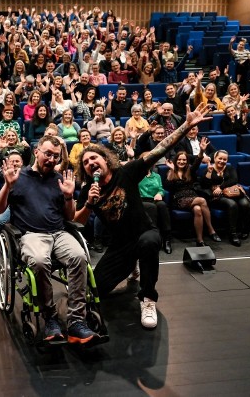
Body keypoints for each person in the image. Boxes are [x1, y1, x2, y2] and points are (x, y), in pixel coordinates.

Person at [73, 103, 212, 329]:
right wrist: (89, 203)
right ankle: (132, 264)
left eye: (93, 158)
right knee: (95, 290)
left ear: (105, 160)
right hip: (119, 244)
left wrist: (186, 126)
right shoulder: (90, 189)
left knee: (148, 244)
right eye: (86, 162)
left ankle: (148, 299)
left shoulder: (126, 172)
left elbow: (161, 149)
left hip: (144, 232)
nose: (90, 163)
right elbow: (78, 221)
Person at [0, 135, 102, 345]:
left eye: (56, 156)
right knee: (40, 261)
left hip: (59, 233)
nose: (51, 159)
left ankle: (76, 321)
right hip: (32, 235)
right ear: (36, 152)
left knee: (80, 256)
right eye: (48, 154)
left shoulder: (60, 179)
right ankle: (50, 316)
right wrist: (7, 186)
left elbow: (70, 217)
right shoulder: (17, 177)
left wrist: (69, 197)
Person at [165, 145, 220, 247]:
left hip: (193, 197)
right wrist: (172, 170)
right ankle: (211, 230)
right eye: (179, 160)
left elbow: (198, 161)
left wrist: (202, 150)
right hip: (179, 199)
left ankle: (199, 240)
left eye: (184, 160)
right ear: (176, 161)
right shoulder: (171, 172)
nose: (182, 162)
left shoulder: (190, 171)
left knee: (198, 209)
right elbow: (168, 187)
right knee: (202, 201)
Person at [199, 150, 250, 246]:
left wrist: (220, 187)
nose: (222, 161)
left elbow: (234, 180)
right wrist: (209, 173)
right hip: (217, 197)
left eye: (225, 159)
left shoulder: (229, 168)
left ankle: (245, 230)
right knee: (232, 204)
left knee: (246, 205)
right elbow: (204, 185)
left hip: (233, 193)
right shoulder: (209, 169)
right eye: (220, 158)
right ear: (215, 158)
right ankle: (233, 234)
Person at [138, 158, 173, 254]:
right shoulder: (136, 175)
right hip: (140, 200)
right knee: (151, 207)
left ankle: (167, 239)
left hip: (154, 199)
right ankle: (154, 238)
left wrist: (160, 194)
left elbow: (161, 189)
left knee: (162, 205)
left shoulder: (156, 176)